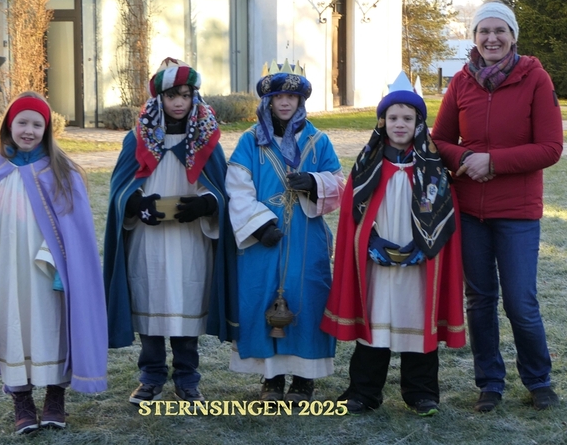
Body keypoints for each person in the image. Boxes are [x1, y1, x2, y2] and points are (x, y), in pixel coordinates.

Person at [0, 92, 107, 435]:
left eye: (37, 125)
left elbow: (75, 229)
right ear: (8, 126)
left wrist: (61, 264)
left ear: (47, 130)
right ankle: (22, 400)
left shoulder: (62, 171)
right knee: (12, 325)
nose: (29, 130)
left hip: (48, 269)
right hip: (5, 267)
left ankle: (55, 397)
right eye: (22, 123)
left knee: (52, 327)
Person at [431, 1, 564, 412]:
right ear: (474, 38)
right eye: (484, 31)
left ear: (513, 36)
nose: (492, 38)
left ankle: (538, 380)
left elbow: (550, 147)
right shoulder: (461, 82)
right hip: (469, 210)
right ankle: (489, 382)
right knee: (480, 299)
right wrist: (466, 158)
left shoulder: (535, 78)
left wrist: (494, 162)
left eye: (499, 30)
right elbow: (439, 141)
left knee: (520, 302)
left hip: (517, 212)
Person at [323, 72, 465, 416]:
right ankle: (363, 392)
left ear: (419, 123)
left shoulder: (432, 169)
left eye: (407, 118)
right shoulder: (367, 165)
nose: (400, 125)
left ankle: (421, 393)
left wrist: (425, 244)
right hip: (377, 261)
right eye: (393, 118)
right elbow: (352, 213)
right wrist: (370, 242)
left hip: (421, 260)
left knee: (418, 318)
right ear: (382, 122)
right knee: (376, 319)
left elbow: (445, 214)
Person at [103, 58, 229, 405]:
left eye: (186, 95)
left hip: (192, 239)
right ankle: (151, 376)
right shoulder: (137, 138)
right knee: (152, 302)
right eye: (172, 95)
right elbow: (120, 189)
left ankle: (188, 378)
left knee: (187, 303)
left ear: (194, 98)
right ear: (159, 98)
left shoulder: (206, 139)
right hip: (149, 239)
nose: (179, 102)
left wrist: (206, 204)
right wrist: (136, 204)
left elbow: (221, 189)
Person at [224, 61, 344, 402]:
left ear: (301, 101)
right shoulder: (251, 141)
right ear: (269, 101)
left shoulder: (318, 141)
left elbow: (339, 184)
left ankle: (305, 378)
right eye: (279, 97)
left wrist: (315, 183)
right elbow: (237, 186)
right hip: (263, 240)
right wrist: (259, 226)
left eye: (292, 97)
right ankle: (272, 377)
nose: (286, 102)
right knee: (261, 297)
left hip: (307, 237)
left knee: (308, 298)